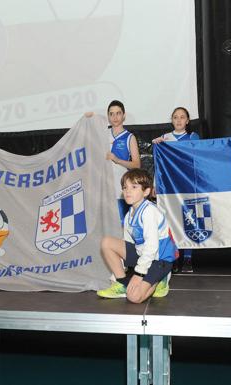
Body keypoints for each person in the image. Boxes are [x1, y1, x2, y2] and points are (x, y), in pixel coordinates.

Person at [97, 168, 177, 303]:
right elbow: (128, 244)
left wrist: (139, 274)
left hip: (160, 259)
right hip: (144, 256)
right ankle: (122, 284)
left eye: (134, 187)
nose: (128, 191)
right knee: (107, 242)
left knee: (134, 298)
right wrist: (116, 276)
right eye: (125, 187)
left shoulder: (149, 212)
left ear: (146, 191)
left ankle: (160, 279)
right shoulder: (129, 215)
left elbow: (152, 247)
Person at [152, 107, 199, 273]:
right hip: (170, 187)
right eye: (175, 117)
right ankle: (173, 258)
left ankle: (188, 259)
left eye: (182, 117)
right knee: (171, 222)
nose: (178, 120)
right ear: (171, 120)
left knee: (189, 220)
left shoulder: (193, 137)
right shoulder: (165, 139)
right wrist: (154, 184)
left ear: (187, 121)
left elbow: (197, 159)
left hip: (187, 185)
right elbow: (159, 165)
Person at [106, 100, 141, 221]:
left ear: (124, 115)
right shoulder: (102, 134)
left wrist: (117, 160)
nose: (115, 117)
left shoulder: (129, 137)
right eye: (111, 114)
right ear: (108, 116)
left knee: (120, 224)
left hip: (120, 187)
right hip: (103, 187)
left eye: (118, 113)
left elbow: (137, 165)